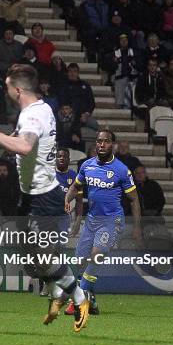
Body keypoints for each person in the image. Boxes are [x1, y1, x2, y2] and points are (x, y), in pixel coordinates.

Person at [0, 63, 90, 332]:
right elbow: (24, 136)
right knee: (31, 261)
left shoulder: (31, 116)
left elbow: (25, 146)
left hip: (44, 197)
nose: (5, 91)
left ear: (17, 89)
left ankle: (79, 298)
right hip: (29, 196)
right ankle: (56, 294)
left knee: (43, 258)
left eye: (6, 87)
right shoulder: (41, 108)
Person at [65, 129, 142, 316]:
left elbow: (134, 200)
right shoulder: (87, 166)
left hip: (112, 221)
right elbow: (76, 185)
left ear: (112, 145)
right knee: (80, 261)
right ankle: (91, 301)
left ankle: (78, 299)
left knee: (95, 255)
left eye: (106, 141)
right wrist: (67, 199)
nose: (102, 144)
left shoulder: (122, 169)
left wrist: (138, 227)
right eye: (99, 141)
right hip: (92, 220)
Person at [56, 148, 83, 236]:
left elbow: (79, 201)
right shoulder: (49, 174)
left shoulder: (74, 176)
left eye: (64, 157)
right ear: (55, 159)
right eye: (59, 156)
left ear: (69, 160)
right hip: (47, 215)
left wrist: (77, 223)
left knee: (60, 245)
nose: (61, 158)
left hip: (64, 216)